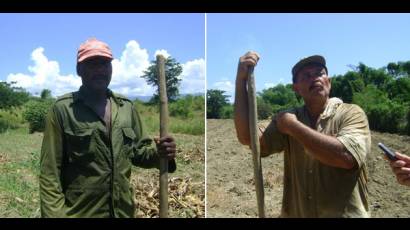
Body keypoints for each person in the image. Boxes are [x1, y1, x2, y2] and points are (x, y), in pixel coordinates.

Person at [39, 38, 177, 218]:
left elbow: (139, 153)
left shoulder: (126, 107)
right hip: (80, 213)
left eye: (105, 64)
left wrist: (161, 153)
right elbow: (50, 174)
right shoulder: (63, 110)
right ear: (79, 70)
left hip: (123, 212)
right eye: (92, 64)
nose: (100, 70)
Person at [234, 51, 371, 217]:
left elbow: (347, 157)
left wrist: (293, 127)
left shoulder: (351, 113)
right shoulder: (289, 117)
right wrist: (241, 81)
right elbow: (248, 137)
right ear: (296, 89)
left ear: (329, 81)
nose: (315, 78)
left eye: (320, 73)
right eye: (306, 76)